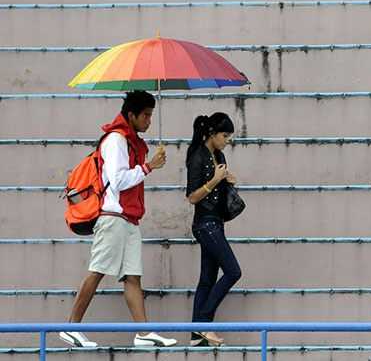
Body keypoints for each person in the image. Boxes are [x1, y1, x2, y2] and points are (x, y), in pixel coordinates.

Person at [59, 91, 177, 348]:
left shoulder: (130, 140)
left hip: (128, 219)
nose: (148, 120)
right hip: (113, 217)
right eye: (145, 115)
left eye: (151, 115)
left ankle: (143, 332)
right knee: (98, 270)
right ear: (131, 115)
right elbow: (119, 180)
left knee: (133, 277)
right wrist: (149, 167)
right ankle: (71, 327)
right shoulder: (116, 140)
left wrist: (147, 165)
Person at [185, 112, 242, 346]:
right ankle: (204, 324)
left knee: (207, 279)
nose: (227, 140)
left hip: (216, 223)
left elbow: (220, 190)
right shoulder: (198, 156)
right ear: (212, 133)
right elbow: (192, 197)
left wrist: (228, 181)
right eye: (224, 135)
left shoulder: (219, 155)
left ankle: (196, 337)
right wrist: (214, 181)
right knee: (233, 272)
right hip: (205, 224)